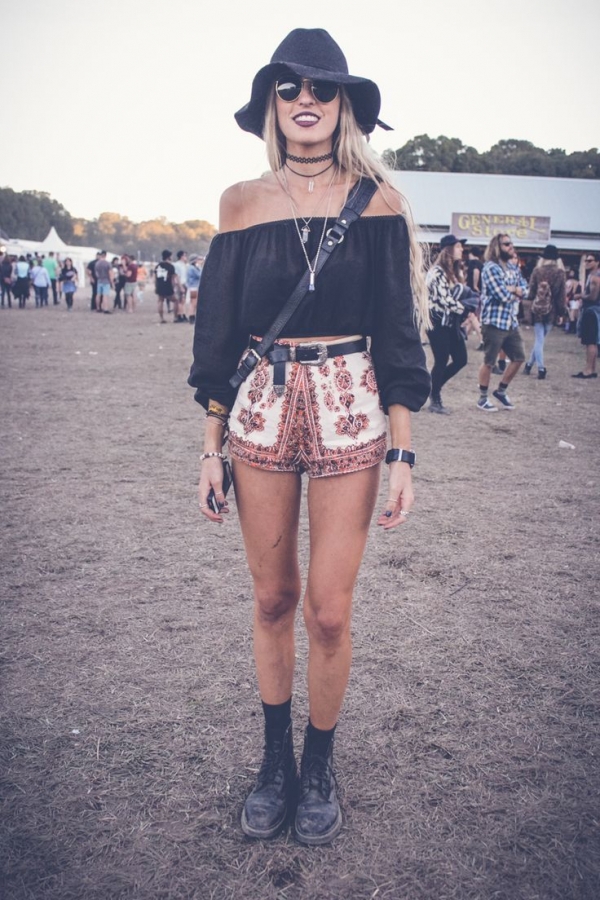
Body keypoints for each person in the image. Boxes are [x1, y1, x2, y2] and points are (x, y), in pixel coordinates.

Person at [188, 27, 430, 846]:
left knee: (327, 610)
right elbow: (217, 338)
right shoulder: (240, 204)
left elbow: (400, 336)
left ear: (345, 105)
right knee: (272, 598)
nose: (305, 101)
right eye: (288, 87)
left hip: (352, 406)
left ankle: (318, 765)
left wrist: (402, 448)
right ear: (271, 103)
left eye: (321, 89)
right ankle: (273, 764)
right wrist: (210, 444)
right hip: (259, 406)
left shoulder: (381, 202)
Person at [477, 234, 526, 411]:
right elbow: (502, 295)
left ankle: (501, 391)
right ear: (497, 247)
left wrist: (515, 289)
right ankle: (482, 398)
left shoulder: (513, 267)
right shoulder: (491, 268)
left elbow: (526, 289)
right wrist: (515, 291)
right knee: (489, 361)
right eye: (506, 244)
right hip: (493, 322)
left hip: (510, 322)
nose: (511, 246)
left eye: (511, 243)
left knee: (519, 357)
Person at [425, 234, 468, 413]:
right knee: (441, 360)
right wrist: (465, 309)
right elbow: (444, 299)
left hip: (451, 323)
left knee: (461, 360)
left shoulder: (455, 272)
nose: (462, 249)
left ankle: (432, 387)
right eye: (458, 246)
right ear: (448, 249)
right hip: (437, 323)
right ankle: (435, 399)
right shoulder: (437, 272)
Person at [523, 245, 566, 379]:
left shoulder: (537, 271)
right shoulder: (560, 273)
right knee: (540, 340)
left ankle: (529, 365)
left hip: (537, 309)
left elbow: (531, 292)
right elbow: (561, 295)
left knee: (539, 339)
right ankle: (541, 368)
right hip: (551, 310)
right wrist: (562, 312)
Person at [572, 253, 600, 379]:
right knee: (592, 340)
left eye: (590, 261)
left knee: (590, 341)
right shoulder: (592, 276)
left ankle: (588, 370)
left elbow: (593, 297)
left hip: (592, 311)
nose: (587, 263)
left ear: (597, 262)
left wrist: (580, 296)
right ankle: (592, 369)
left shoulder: (595, 278)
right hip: (594, 311)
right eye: (586, 261)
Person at [155, 250, 177, 323]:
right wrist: (174, 287)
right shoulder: (170, 266)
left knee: (160, 301)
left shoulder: (158, 265)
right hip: (168, 286)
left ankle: (161, 318)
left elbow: (155, 277)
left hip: (159, 285)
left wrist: (156, 286)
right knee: (175, 300)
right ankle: (175, 317)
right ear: (169, 257)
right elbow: (173, 278)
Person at [564, 267, 582, 334]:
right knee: (571, 314)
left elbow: (567, 291)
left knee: (573, 314)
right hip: (571, 299)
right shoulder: (572, 282)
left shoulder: (574, 282)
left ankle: (572, 329)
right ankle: (572, 328)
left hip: (574, 299)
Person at [186, 254, 202, 324]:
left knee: (193, 302)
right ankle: (192, 316)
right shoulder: (193, 268)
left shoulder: (190, 267)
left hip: (192, 287)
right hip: (194, 287)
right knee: (194, 303)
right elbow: (200, 275)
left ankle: (192, 316)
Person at [174, 250, 188, 322]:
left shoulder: (184, 264)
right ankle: (179, 315)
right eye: (185, 255)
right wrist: (180, 286)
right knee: (180, 300)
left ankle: (183, 314)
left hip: (185, 283)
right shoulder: (177, 265)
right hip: (180, 284)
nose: (186, 257)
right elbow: (177, 276)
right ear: (181, 256)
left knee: (183, 300)